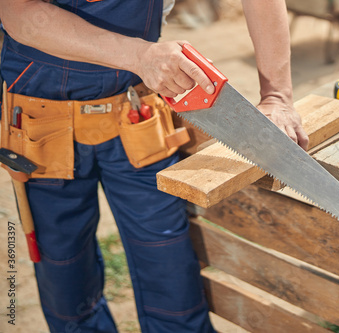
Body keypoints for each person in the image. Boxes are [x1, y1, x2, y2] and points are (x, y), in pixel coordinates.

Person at [0, 0, 309, 332]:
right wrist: (139, 56)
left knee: (173, 284)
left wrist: (276, 95)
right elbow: (17, 13)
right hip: (40, 126)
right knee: (66, 285)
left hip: (138, 116)